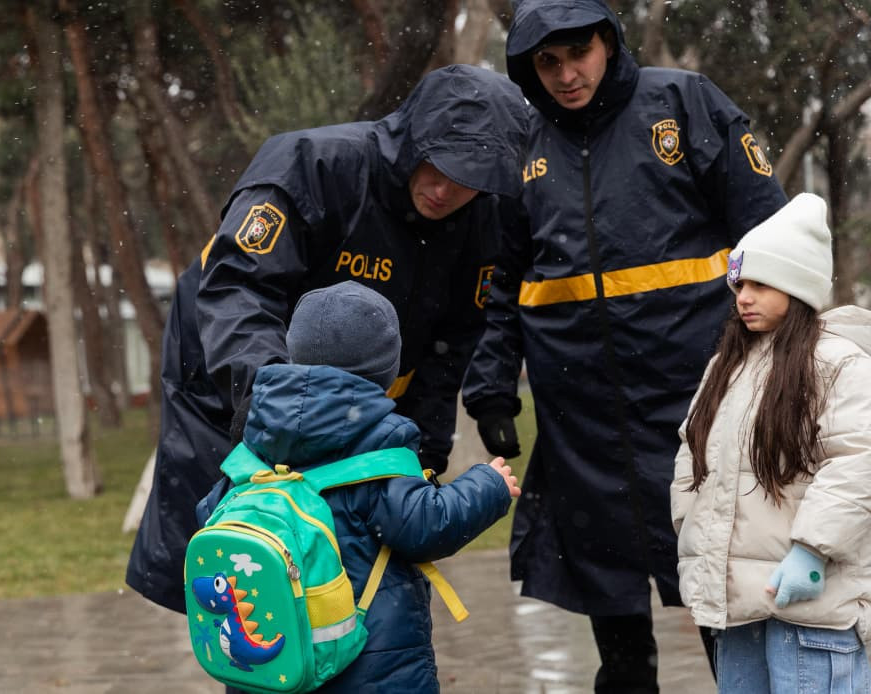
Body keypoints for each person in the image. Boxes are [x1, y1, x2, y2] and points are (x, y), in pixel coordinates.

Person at [461, 0, 789, 689]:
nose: (565, 75)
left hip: (699, 410)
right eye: (545, 63)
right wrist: (491, 385)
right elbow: (500, 282)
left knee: (721, 609)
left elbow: (773, 241)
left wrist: (786, 362)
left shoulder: (685, 103)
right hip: (581, 427)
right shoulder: (523, 147)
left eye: (577, 53)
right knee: (615, 630)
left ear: (607, 40)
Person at [128, 64, 529, 614]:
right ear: (412, 136)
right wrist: (279, 417)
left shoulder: (485, 220)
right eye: (437, 165)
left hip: (363, 400)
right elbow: (239, 294)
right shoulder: (311, 167)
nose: (445, 188)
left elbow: (449, 350)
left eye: (469, 177)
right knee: (249, 572)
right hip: (233, 381)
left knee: (351, 573)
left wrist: (421, 463)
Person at [199, 281, 520, 693]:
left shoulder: (257, 436)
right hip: (367, 667)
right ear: (386, 373)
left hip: (274, 667)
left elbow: (210, 515)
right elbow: (426, 525)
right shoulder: (378, 444)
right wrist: (488, 485)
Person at [671, 193, 871, 692]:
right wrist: (691, 533)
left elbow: (857, 462)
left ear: (796, 284)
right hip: (738, 608)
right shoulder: (728, 365)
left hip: (811, 610)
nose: (743, 296)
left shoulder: (838, 363)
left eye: (760, 284)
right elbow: (692, 456)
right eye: (739, 284)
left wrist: (811, 551)